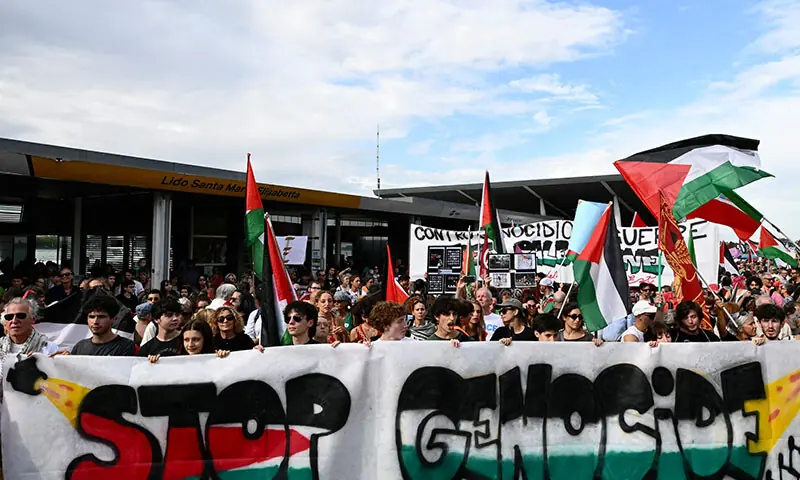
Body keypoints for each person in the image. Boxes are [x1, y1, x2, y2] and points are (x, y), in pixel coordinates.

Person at [70, 295, 135, 356]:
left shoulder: (126, 346)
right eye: (91, 317)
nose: (95, 321)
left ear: (113, 319)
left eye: (101, 317)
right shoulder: (80, 346)